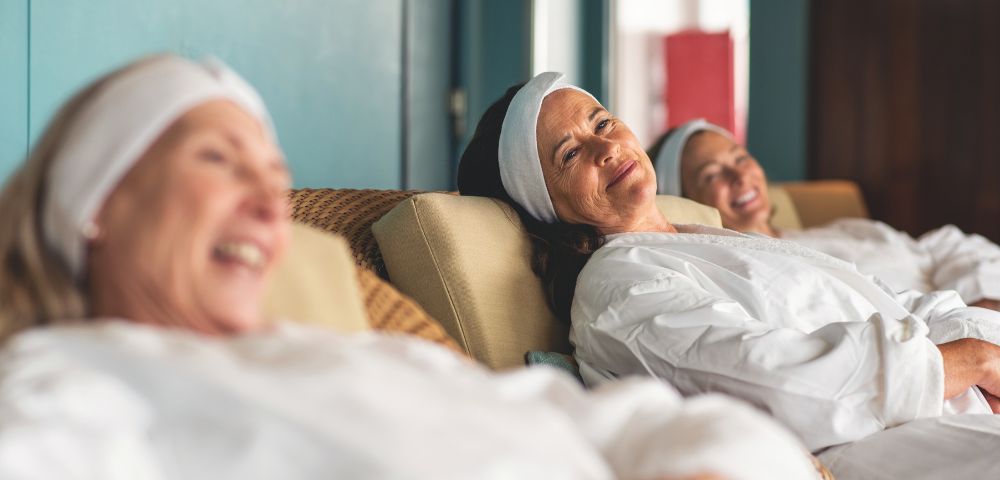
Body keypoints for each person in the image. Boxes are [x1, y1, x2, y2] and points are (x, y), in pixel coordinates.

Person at [0, 55, 819, 480]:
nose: (265, 200)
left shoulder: (350, 351)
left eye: (274, 176)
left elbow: (633, 422)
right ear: (93, 202)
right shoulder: (70, 389)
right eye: (219, 160)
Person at [457, 71, 1000, 478]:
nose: (606, 148)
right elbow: (782, 384)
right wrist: (964, 363)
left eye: (602, 123)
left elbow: (897, 300)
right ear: (546, 205)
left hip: (947, 395)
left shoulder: (701, 238)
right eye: (571, 154)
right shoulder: (618, 290)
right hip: (868, 449)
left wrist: (984, 352)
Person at [650, 118, 1000, 311]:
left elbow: (947, 245)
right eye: (711, 175)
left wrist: (982, 300)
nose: (741, 177)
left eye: (740, 158)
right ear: (687, 200)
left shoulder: (848, 229)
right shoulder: (752, 271)